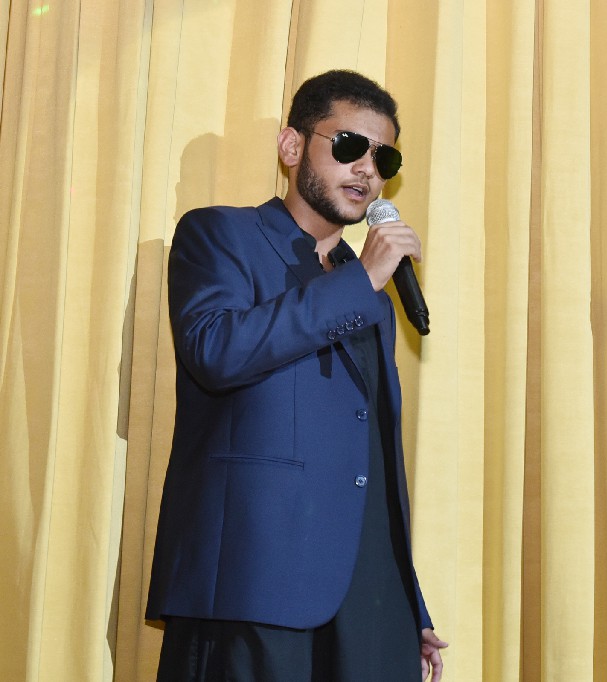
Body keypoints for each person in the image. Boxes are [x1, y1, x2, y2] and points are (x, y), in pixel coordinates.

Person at [146, 69, 447, 681]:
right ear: (292, 147)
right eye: (349, 145)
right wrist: (361, 281)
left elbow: (375, 455)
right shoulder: (220, 234)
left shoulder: (368, 292)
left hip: (365, 602)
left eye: (384, 157)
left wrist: (404, 599)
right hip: (252, 581)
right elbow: (215, 351)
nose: (367, 169)